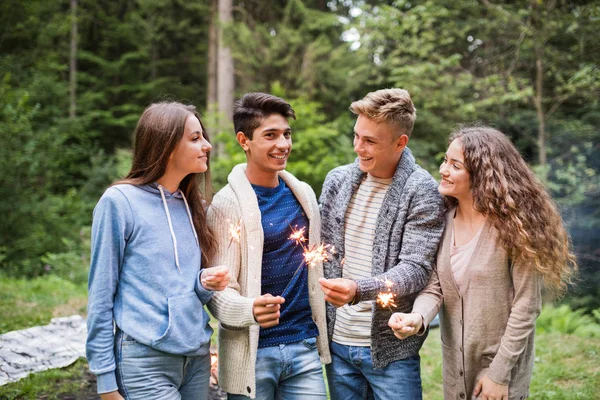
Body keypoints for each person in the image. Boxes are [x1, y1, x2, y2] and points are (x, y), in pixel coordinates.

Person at [389, 125, 577, 400]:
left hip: (500, 373)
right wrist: (417, 318)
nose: (443, 169)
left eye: (455, 165)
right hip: (456, 371)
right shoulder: (440, 221)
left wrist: (499, 375)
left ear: (481, 175)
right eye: (445, 160)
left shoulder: (515, 229)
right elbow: (434, 288)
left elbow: (526, 307)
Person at [86, 102, 230, 400]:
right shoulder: (119, 202)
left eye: (203, 136)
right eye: (195, 138)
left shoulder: (196, 207)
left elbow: (182, 287)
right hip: (144, 361)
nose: (207, 145)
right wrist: (105, 382)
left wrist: (203, 284)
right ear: (165, 145)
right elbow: (100, 295)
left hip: (197, 359)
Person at [318, 88, 445, 399]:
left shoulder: (422, 191)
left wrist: (359, 289)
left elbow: (415, 269)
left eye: (370, 141)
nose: (359, 147)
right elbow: (321, 251)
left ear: (401, 142)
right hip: (338, 345)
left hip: (391, 351)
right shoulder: (337, 180)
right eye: (357, 136)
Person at [206, 92, 331, 399]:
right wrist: (249, 309)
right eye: (270, 135)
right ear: (243, 140)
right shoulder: (226, 204)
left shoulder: (303, 195)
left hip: (304, 347)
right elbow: (217, 291)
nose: (283, 144)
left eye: (286, 134)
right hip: (253, 355)